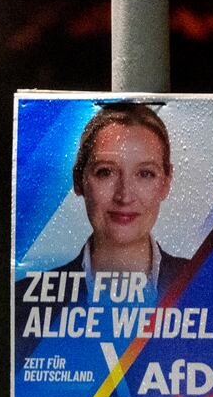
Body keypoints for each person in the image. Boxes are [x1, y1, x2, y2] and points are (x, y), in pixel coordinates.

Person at [16, 102, 192, 312]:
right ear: (79, 180)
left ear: (165, 182)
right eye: (105, 172)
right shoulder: (26, 302)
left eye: (145, 174)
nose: (124, 196)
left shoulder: (204, 286)